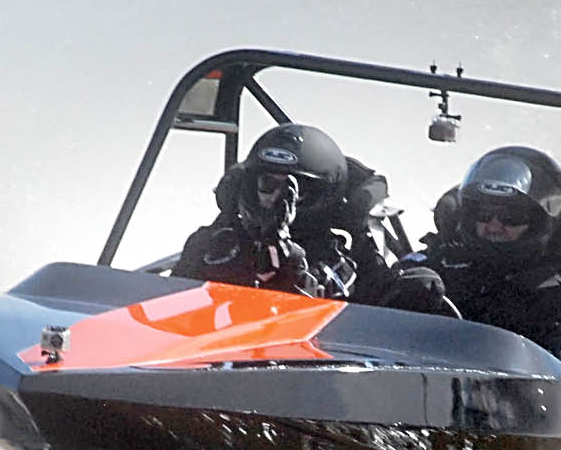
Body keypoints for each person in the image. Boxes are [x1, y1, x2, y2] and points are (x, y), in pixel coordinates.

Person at [173, 123, 448, 313]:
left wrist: (285, 263)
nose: (278, 197)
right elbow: (168, 308)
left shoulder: (343, 251)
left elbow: (321, 305)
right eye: (268, 184)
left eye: (296, 189)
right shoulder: (212, 243)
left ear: (324, 194)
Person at [405, 145, 561, 354]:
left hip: (519, 382)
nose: (494, 226)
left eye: (511, 218)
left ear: (539, 220)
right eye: (484, 214)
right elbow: (386, 288)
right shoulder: (444, 258)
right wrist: (407, 289)